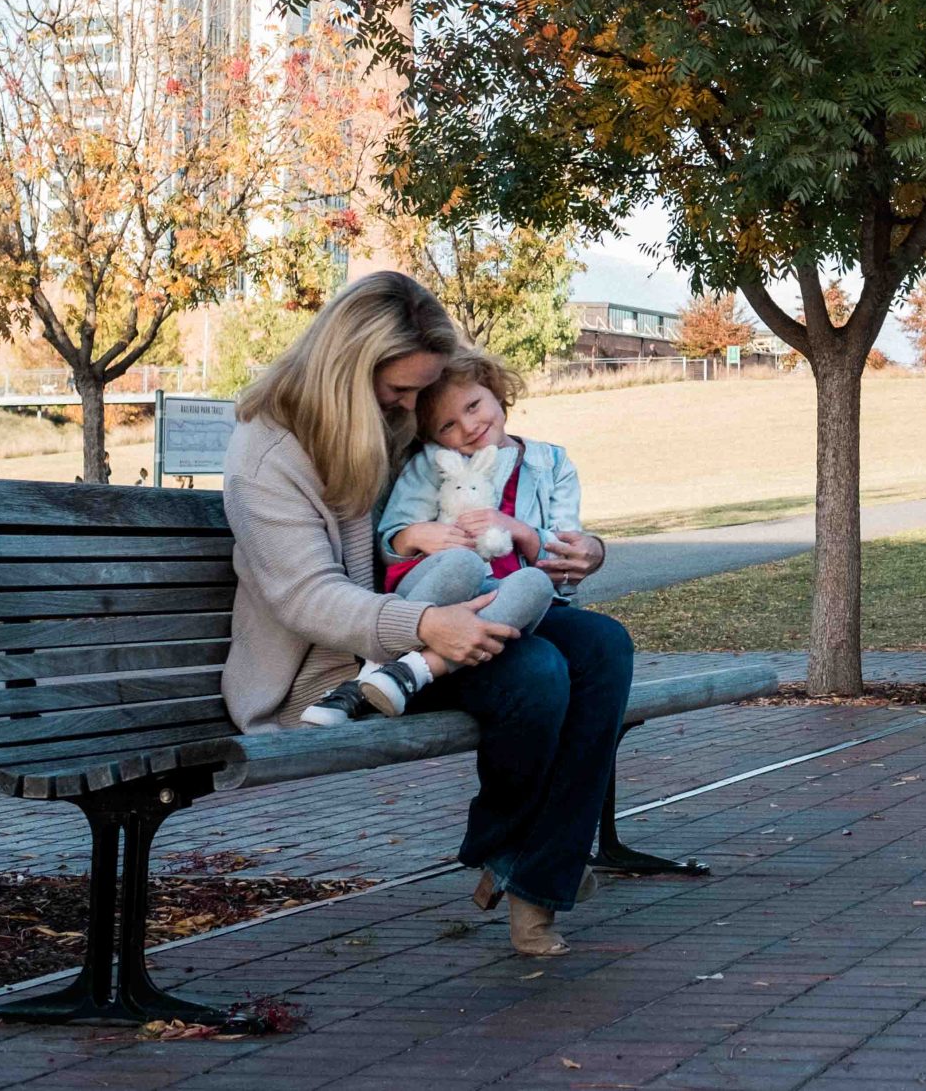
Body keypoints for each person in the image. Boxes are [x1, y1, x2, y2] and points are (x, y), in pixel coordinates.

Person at [221, 272, 628, 958]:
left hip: (433, 613)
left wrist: (584, 550)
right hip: (348, 665)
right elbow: (306, 597)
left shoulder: (387, 414)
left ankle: (533, 867)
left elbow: (502, 496)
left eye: (418, 393)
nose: (411, 409)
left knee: (602, 645)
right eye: (399, 391)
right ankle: (514, 852)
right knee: (537, 671)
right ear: (349, 367)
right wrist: (425, 626)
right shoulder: (268, 454)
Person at [351, 350, 579, 719]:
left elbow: (566, 568)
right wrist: (418, 535)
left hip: (506, 603)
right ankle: (379, 668)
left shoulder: (551, 463)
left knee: (576, 617)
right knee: (464, 564)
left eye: (473, 406)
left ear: (494, 389)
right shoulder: (432, 464)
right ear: (433, 439)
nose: (468, 427)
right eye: (447, 426)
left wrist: (518, 530)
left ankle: (413, 671)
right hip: (441, 598)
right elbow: (391, 537)